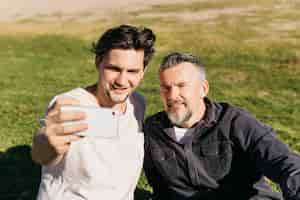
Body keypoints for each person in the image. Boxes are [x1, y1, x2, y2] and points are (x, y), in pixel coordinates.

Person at [143, 52, 300, 200]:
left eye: (181, 85)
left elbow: (284, 163)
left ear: (203, 89)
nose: (172, 95)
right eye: (166, 87)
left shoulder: (235, 121)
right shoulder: (152, 131)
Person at [31, 24, 156, 200]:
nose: (122, 80)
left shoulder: (138, 103)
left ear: (143, 72)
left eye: (132, 71)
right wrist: (45, 141)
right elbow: (42, 153)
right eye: (114, 68)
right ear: (98, 62)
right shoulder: (71, 105)